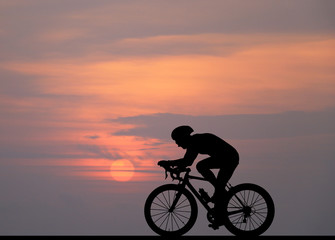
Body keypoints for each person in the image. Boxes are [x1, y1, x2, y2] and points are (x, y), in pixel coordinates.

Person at [158, 125, 239, 228]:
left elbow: (187, 161)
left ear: (183, 138)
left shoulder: (194, 142)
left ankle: (220, 215)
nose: (177, 145)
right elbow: (187, 162)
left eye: (177, 141)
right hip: (226, 157)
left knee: (202, 168)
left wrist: (168, 163)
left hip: (229, 158)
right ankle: (220, 206)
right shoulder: (194, 141)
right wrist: (175, 167)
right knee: (215, 183)